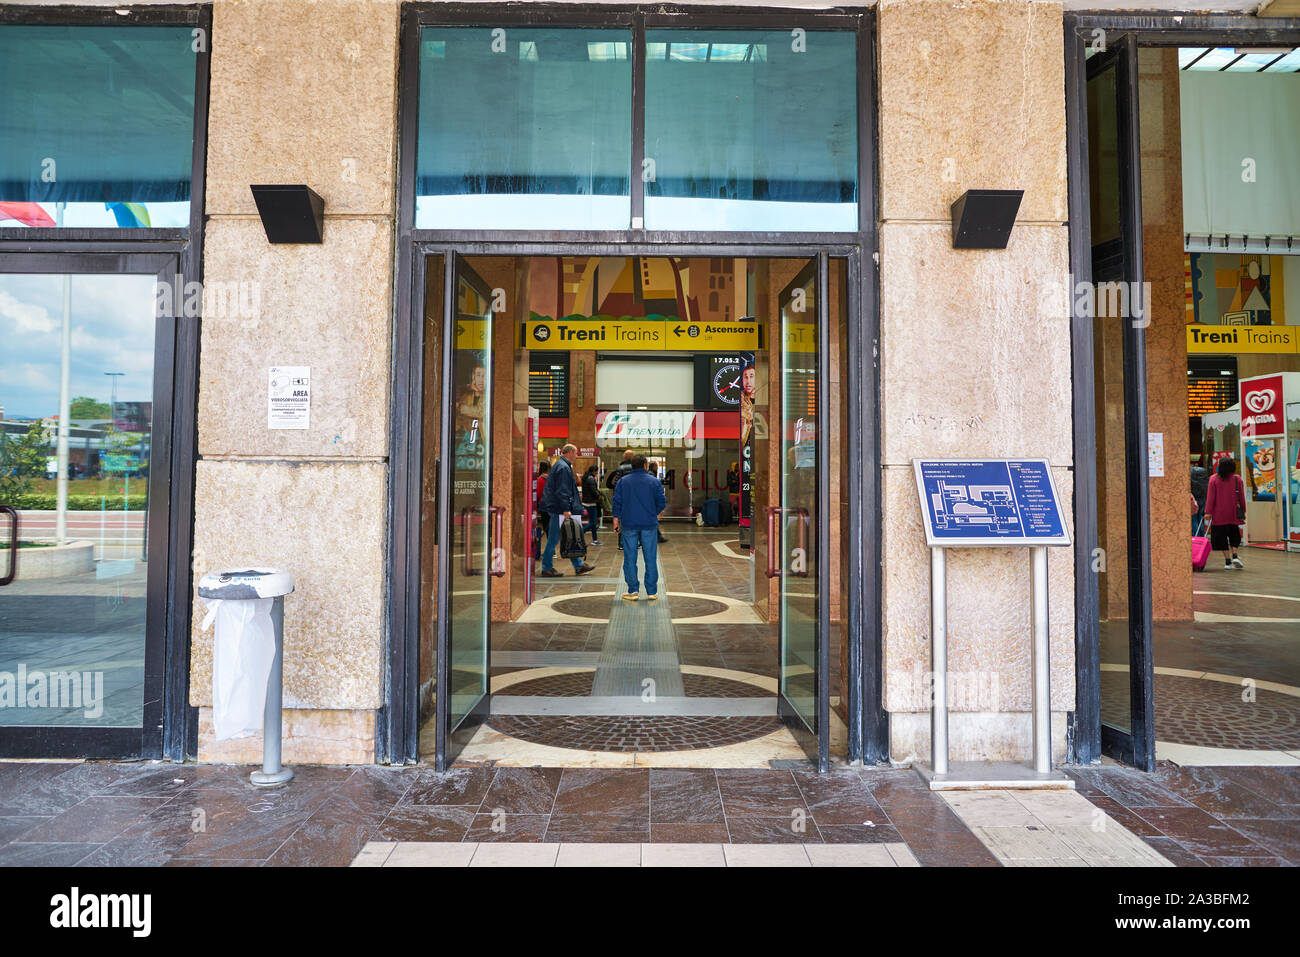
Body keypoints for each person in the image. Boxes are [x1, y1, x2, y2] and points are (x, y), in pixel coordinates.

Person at [612, 454, 667, 601]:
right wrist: (654, 513)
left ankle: (633, 591)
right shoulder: (654, 482)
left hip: (629, 524)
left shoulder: (623, 482)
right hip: (649, 524)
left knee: (630, 558)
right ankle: (652, 592)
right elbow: (661, 501)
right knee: (650, 558)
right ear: (645, 465)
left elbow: (616, 502)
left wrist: (616, 520)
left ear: (632, 466)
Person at [539, 444, 595, 578]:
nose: (576, 456)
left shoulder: (561, 465)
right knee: (554, 538)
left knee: (571, 536)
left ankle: (579, 565)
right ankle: (546, 567)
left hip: (560, 509)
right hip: (560, 510)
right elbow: (562, 490)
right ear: (569, 452)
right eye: (575, 453)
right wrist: (565, 509)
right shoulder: (563, 467)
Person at [1204, 456, 1247, 570]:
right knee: (1234, 534)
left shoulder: (1213, 479)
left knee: (1221, 537)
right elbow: (1241, 497)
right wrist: (1243, 509)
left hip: (1219, 514)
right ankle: (1235, 555)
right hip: (1233, 513)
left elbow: (1210, 498)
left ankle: (1227, 562)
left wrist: (1208, 512)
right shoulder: (1237, 479)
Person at [606, 450, 635, 549]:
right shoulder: (636, 468)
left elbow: (617, 483)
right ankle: (634, 542)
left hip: (623, 497)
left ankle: (621, 543)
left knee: (622, 521)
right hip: (634, 498)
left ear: (624, 457)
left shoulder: (621, 467)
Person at [581, 463, 603, 545]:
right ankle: (580, 532)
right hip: (591, 503)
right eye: (596, 472)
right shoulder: (591, 478)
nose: (596, 473)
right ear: (594, 471)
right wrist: (598, 495)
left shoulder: (586, 477)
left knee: (592, 522)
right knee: (593, 522)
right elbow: (593, 491)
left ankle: (595, 540)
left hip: (586, 502)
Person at [1189, 454, 1209, 536]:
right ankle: (1201, 535)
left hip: (1194, 499)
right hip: (1203, 499)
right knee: (1201, 518)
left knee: (1194, 519)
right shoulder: (1204, 477)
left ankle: (1195, 535)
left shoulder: (1191, 477)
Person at [534, 460, 550, 533]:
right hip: (553, 504)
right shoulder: (551, 477)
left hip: (544, 504)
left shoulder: (541, 479)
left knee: (546, 525)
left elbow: (539, 493)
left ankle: (550, 542)